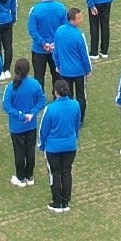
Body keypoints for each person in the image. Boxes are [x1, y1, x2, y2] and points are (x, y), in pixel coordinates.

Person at [38, 78, 82, 213]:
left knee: (55, 174)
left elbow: (43, 130)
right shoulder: (75, 105)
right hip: (70, 145)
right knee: (66, 172)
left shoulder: (50, 109)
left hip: (53, 148)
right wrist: (74, 137)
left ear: (56, 92)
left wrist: (41, 145)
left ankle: (57, 202)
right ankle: (65, 201)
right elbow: (76, 123)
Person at [3, 58, 46, 186]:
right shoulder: (35, 84)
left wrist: (20, 115)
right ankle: (29, 176)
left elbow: (6, 106)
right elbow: (42, 101)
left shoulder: (11, 87)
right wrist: (32, 113)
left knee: (19, 152)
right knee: (30, 150)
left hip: (17, 126)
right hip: (31, 125)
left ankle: (20, 177)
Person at [52, 7, 93, 123]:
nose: (81, 20)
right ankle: (79, 119)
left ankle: (69, 118)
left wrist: (58, 65)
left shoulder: (59, 31)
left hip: (64, 71)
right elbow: (84, 55)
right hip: (79, 72)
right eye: (79, 18)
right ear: (72, 20)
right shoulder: (79, 35)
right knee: (81, 96)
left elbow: (56, 51)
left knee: (67, 97)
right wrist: (88, 70)